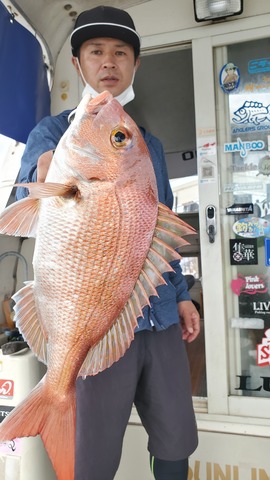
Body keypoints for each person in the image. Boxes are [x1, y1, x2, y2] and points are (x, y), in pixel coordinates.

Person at [16, 5, 200, 480]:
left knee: (175, 440)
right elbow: (30, 182)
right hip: (95, 327)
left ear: (136, 65)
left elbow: (155, 232)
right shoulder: (54, 134)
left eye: (121, 52)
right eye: (96, 51)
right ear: (77, 64)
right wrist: (47, 171)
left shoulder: (148, 145)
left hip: (157, 318)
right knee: (92, 460)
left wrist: (180, 297)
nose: (109, 62)